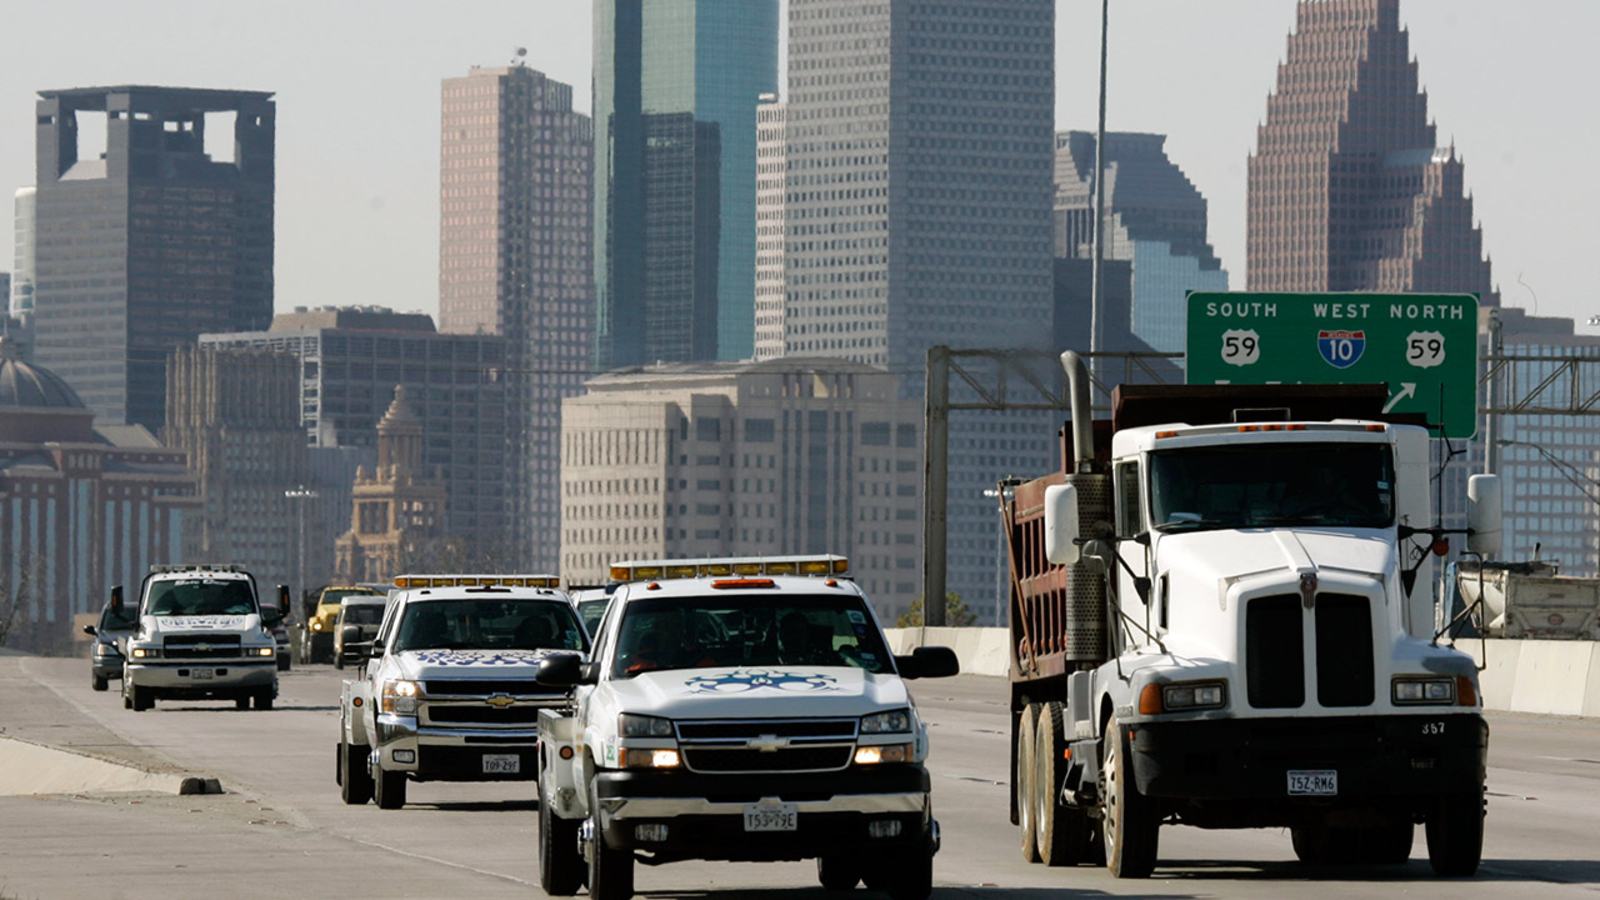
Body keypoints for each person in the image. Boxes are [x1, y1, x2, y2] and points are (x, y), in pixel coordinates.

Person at [624, 612, 716, 674]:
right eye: (665, 626)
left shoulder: (699, 658)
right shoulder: (639, 661)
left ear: (682, 632)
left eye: (675, 626)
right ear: (656, 630)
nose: (670, 632)